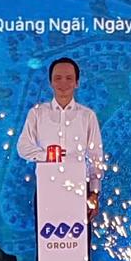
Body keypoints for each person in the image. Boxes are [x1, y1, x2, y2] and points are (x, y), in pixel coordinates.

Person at [16, 57, 104, 218]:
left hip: (79, 186)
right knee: (47, 233)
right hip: (46, 186)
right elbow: (23, 147)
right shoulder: (37, 113)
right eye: (58, 78)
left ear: (77, 83)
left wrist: (94, 192)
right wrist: (47, 155)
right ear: (50, 82)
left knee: (79, 234)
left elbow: (95, 157)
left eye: (69, 78)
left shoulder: (87, 116)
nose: (63, 83)